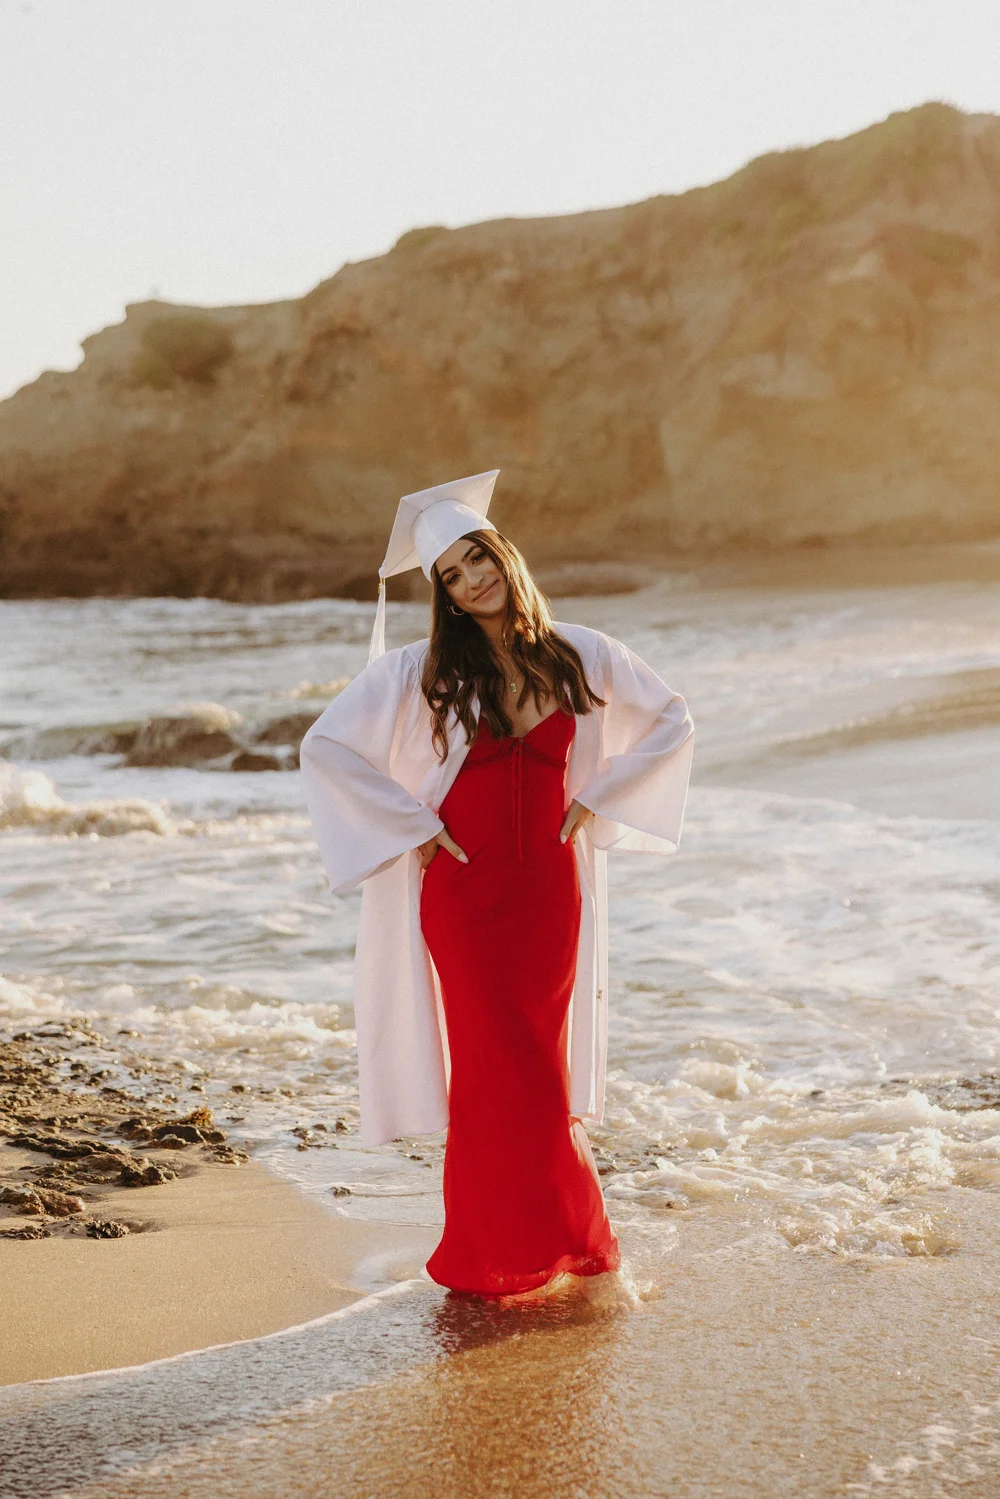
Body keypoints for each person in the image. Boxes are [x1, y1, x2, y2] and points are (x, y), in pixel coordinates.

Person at [299, 469, 694, 1300]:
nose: (471, 580)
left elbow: (672, 720)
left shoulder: (580, 653)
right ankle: (492, 1255)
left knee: (541, 1072)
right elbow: (325, 747)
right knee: (487, 1071)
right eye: (451, 575)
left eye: (477, 559)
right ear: (442, 594)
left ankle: (560, 1244)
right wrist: (415, 825)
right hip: (463, 895)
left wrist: (598, 795)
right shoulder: (421, 672)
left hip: (550, 894)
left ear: (503, 554)